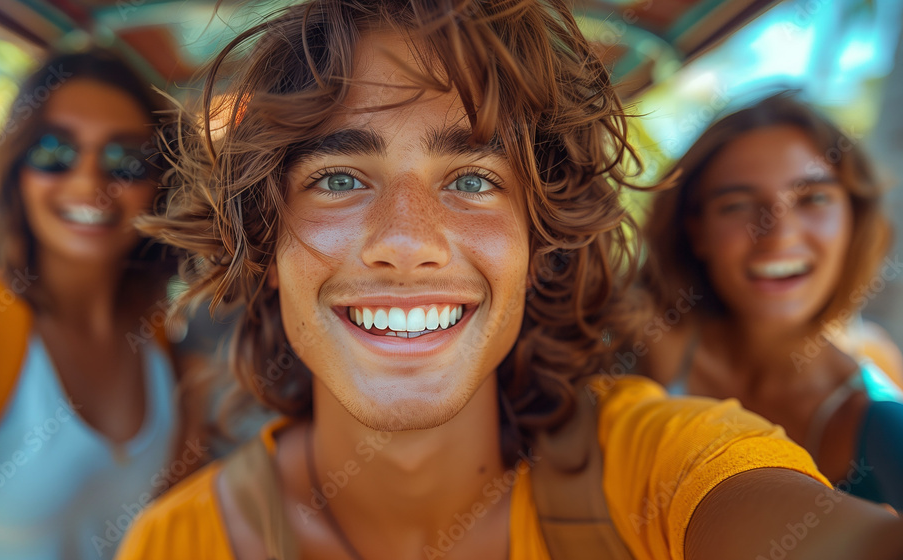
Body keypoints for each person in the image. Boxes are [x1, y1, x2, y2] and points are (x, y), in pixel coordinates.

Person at [117, 2, 903, 559]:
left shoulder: (659, 468)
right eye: (339, 178)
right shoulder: (178, 542)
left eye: (470, 180)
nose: (406, 243)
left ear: (541, 240)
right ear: (265, 238)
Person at [0, 50, 196, 560]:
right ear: (15, 170)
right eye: (54, 151)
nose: (88, 183)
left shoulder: (159, 341)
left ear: (161, 183)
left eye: (125, 160)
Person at [640, 93, 903, 511]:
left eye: (813, 198)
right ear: (697, 231)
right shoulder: (639, 343)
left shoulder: (883, 427)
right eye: (737, 205)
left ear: (854, 220)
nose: (779, 235)